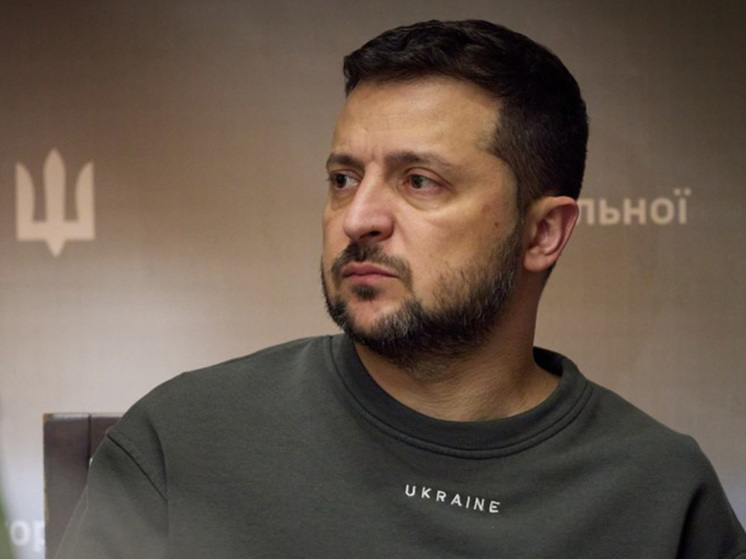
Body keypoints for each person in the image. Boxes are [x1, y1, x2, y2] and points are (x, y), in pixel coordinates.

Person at [56, 19, 746, 559]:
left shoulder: (661, 494)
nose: (358, 218)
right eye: (344, 179)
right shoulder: (184, 440)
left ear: (543, 233)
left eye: (420, 181)